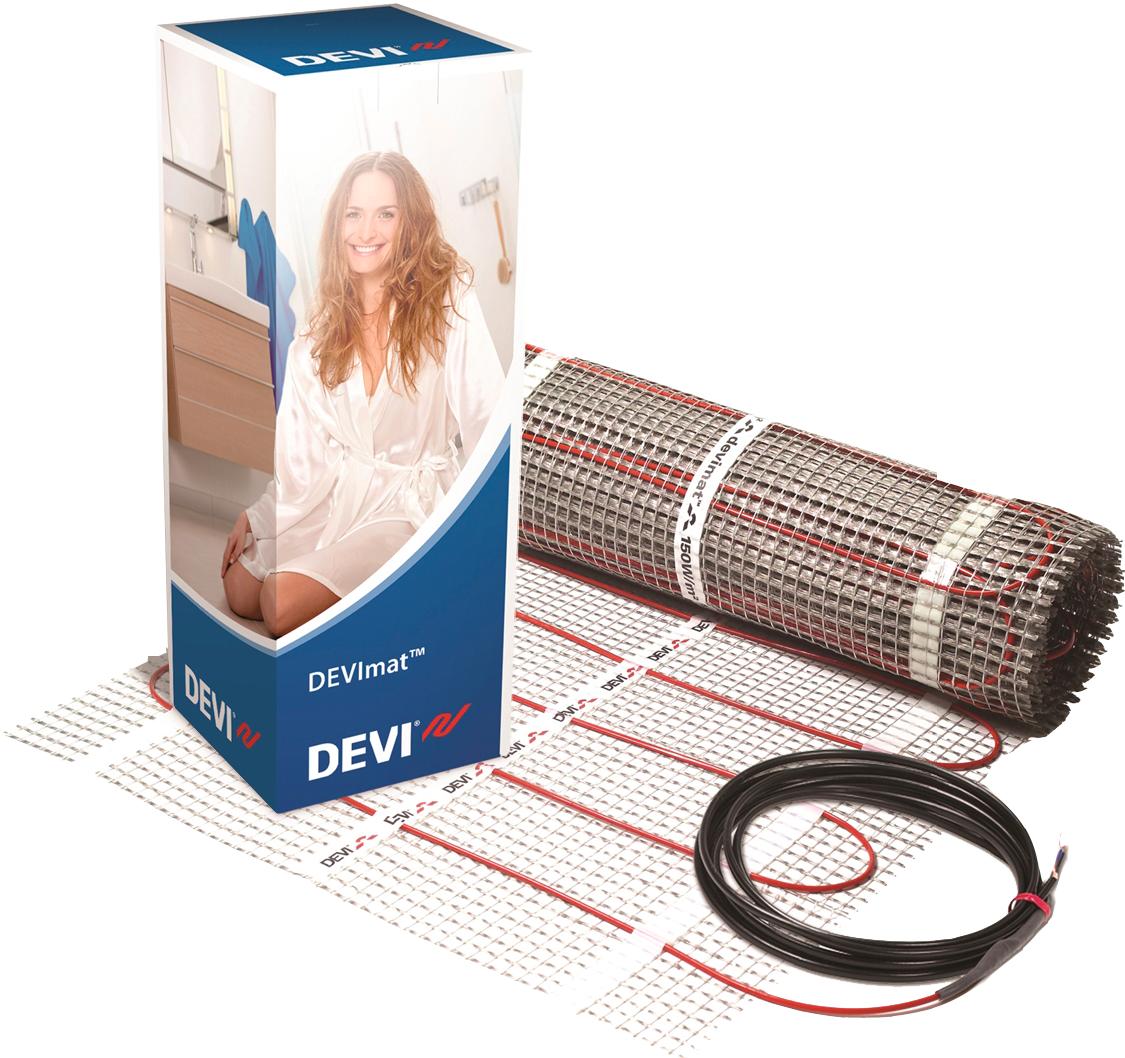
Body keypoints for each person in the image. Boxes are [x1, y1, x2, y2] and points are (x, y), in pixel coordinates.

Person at [220, 151, 504, 637]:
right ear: (338, 223)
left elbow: (487, 415)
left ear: (409, 223)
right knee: (240, 588)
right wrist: (260, 515)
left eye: (385, 214)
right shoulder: (322, 328)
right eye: (354, 214)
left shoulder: (448, 298)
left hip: (409, 507)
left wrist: (483, 535)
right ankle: (365, 588)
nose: (366, 231)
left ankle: (405, 585)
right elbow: (303, 454)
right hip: (341, 493)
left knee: (278, 603)